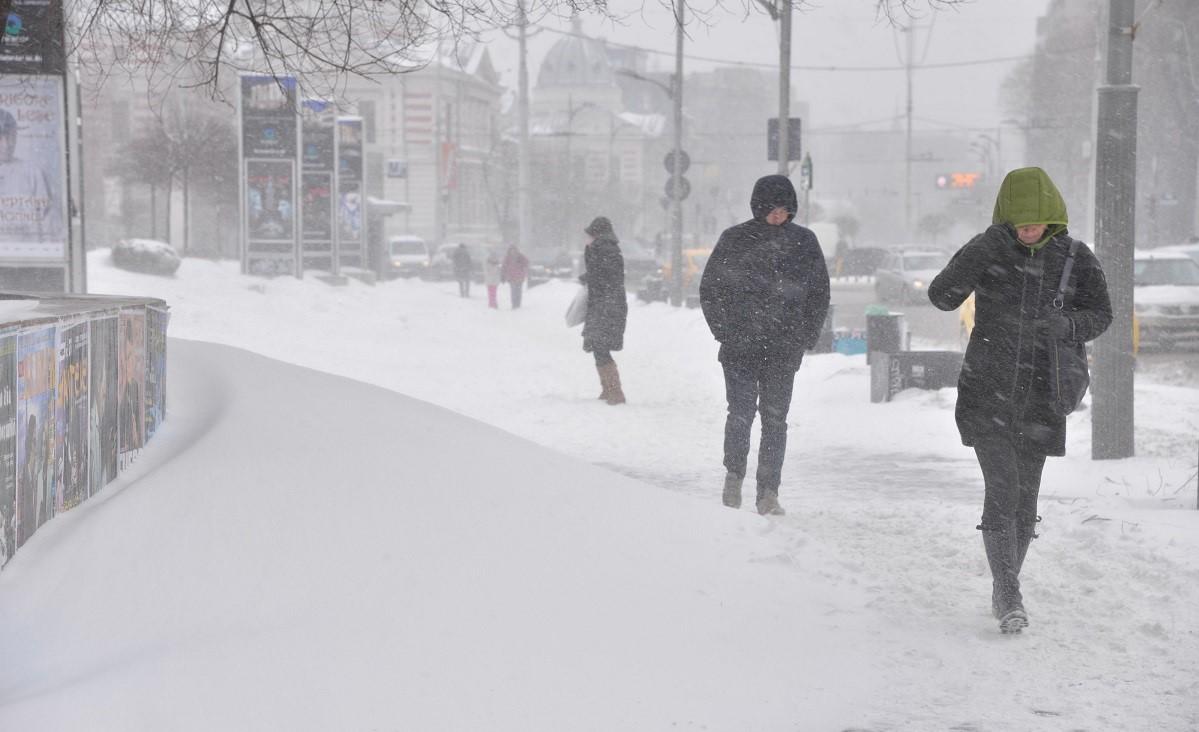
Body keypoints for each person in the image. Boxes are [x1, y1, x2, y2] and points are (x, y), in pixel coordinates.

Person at [928, 167, 1111, 634]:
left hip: (1043, 397)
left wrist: (1068, 326)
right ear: (1006, 219)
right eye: (1020, 223)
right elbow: (942, 296)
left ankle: (1004, 583)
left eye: (1038, 222)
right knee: (1003, 489)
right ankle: (1008, 591)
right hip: (986, 390)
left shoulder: (1073, 257)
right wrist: (984, 247)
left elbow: (1102, 314)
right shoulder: (990, 250)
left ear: (1053, 218)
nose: (1029, 230)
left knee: (1025, 500)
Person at [699, 174, 830, 516]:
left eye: (785, 208)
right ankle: (733, 476)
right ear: (758, 207)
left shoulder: (804, 242)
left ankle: (768, 491)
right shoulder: (735, 240)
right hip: (739, 348)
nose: (778, 214)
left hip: (783, 350)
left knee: (775, 421)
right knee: (740, 415)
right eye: (771, 208)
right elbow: (711, 289)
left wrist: (805, 336)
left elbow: (819, 294)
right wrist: (724, 331)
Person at [580, 216, 628, 405]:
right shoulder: (604, 248)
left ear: (596, 233)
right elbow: (602, 273)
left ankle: (615, 392)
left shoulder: (604, 248)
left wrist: (589, 277)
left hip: (607, 305)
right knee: (597, 345)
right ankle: (608, 389)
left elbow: (606, 276)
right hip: (606, 303)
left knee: (600, 345)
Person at [0, 108, 61, 243]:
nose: (7, 144)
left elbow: (50, 227)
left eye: (11, 136)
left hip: (28, 258)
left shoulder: (33, 173)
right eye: (0, 137)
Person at [501, 244, 530, 309]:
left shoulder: (520, 256)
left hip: (520, 277)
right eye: (511, 250)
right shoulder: (507, 258)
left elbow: (527, 262)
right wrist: (503, 275)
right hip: (511, 277)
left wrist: (522, 266)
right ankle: (514, 304)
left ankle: (518, 304)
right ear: (509, 250)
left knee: (518, 291)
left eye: (514, 250)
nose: (513, 251)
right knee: (513, 291)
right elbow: (504, 267)